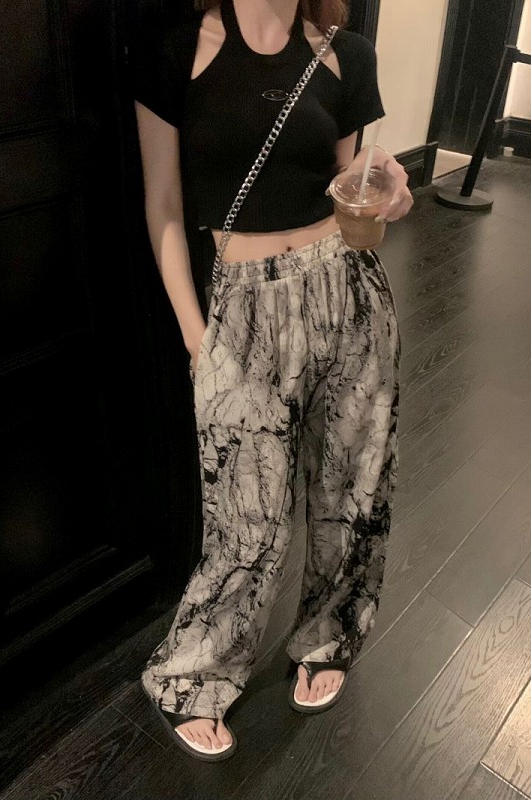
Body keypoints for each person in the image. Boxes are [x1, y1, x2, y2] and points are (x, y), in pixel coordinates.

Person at [131, 0, 413, 761]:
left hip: (346, 291)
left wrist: (389, 188)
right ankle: (194, 674)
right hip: (243, 308)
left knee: (352, 488)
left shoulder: (346, 54)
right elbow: (163, 206)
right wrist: (197, 339)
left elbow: (352, 184)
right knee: (246, 518)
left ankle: (329, 634)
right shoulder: (176, 53)